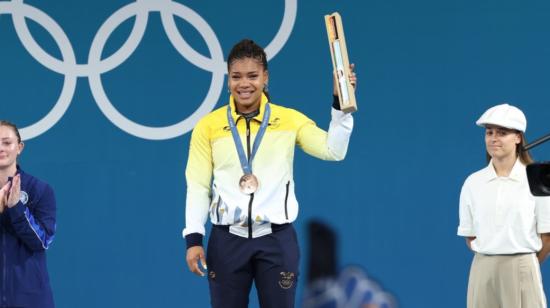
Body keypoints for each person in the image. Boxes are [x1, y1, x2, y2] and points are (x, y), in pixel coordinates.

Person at [183, 39, 356, 308]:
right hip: (226, 241)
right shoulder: (208, 127)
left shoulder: (289, 120)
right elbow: (197, 186)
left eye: (252, 76)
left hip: (276, 241)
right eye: (236, 77)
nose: (244, 84)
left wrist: (339, 105)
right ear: (228, 80)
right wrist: (193, 238)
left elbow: (333, 151)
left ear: (265, 77)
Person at [457, 104, 550, 308]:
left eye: (502, 132)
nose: (493, 138)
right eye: (489, 132)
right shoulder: (473, 183)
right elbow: (470, 234)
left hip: (522, 266)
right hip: (483, 269)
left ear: (518, 137)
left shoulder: (537, 180)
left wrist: (523, 263)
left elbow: (547, 237)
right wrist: (491, 253)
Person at [0, 121, 57, 308]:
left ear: (19, 147)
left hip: (29, 299)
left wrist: (16, 208)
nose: (1, 148)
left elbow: (42, 241)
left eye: (7, 143)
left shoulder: (40, 190)